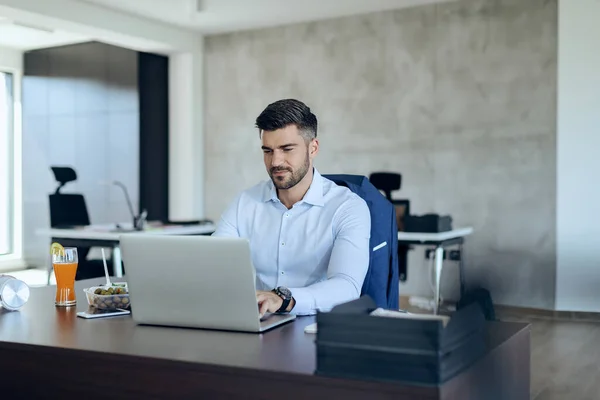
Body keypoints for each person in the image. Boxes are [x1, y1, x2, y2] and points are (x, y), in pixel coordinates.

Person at [212, 99, 371, 316]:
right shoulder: (245, 203)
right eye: (268, 151)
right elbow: (212, 267)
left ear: (313, 148)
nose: (275, 161)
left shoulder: (348, 207)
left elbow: (346, 287)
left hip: (317, 329)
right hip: (259, 324)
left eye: (287, 149)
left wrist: (283, 299)